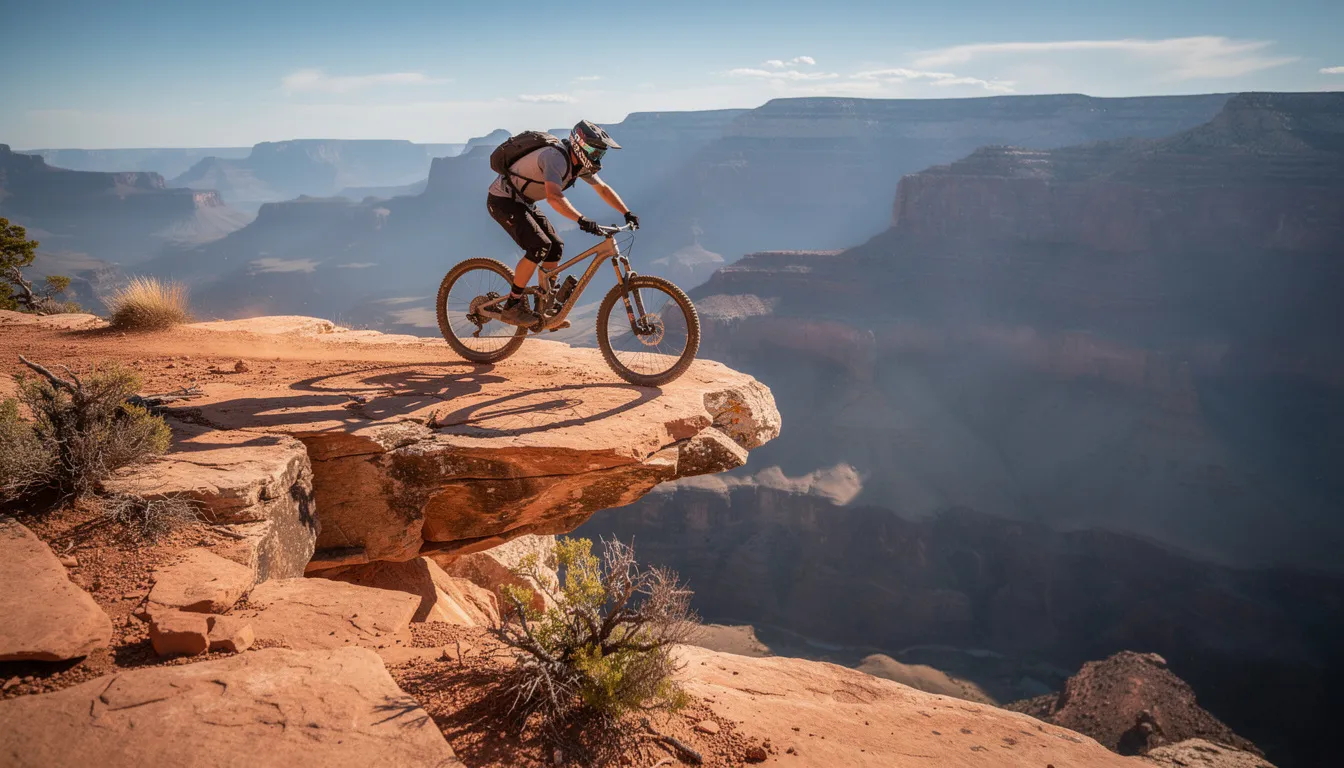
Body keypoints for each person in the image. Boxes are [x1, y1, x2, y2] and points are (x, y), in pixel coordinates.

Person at [486, 120, 640, 326]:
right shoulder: (556, 158)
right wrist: (581, 219)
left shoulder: (579, 164)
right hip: (503, 201)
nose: (598, 159)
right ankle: (512, 306)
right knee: (539, 246)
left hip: (524, 202)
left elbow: (603, 189)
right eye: (596, 153)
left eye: (600, 154)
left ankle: (544, 309)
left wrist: (627, 212)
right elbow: (554, 197)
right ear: (580, 146)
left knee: (555, 247)